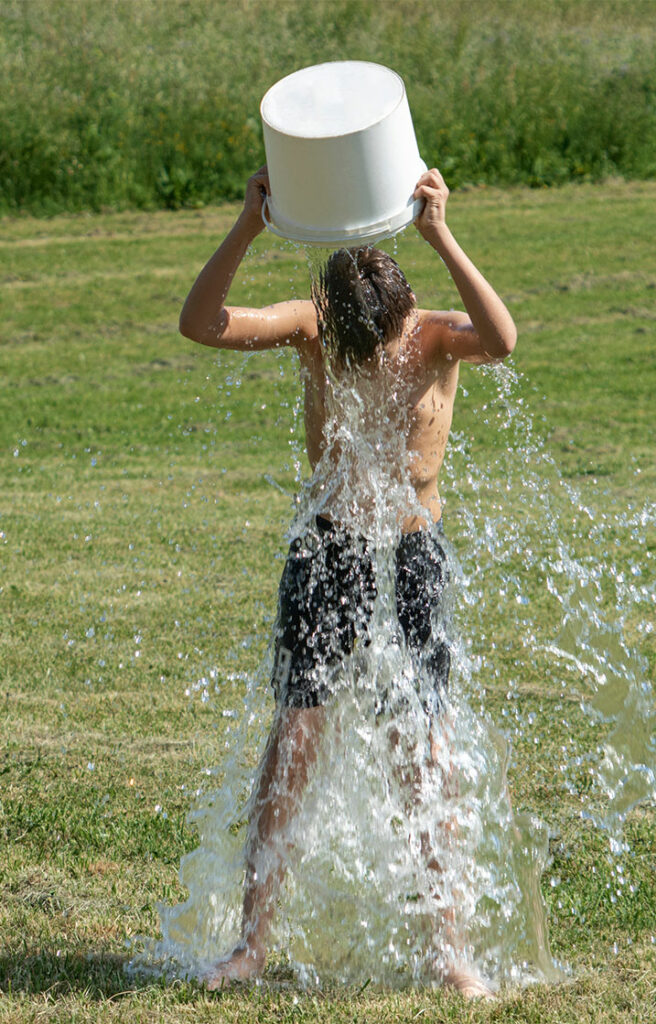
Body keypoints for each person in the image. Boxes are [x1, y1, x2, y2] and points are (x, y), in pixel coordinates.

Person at [178, 166, 517, 998]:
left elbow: (503, 338)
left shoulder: (435, 333)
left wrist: (440, 232)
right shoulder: (311, 327)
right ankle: (251, 944)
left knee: (422, 746)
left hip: (412, 552)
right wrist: (249, 226)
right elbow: (201, 324)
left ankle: (450, 952)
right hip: (327, 549)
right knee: (295, 737)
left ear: (402, 314)